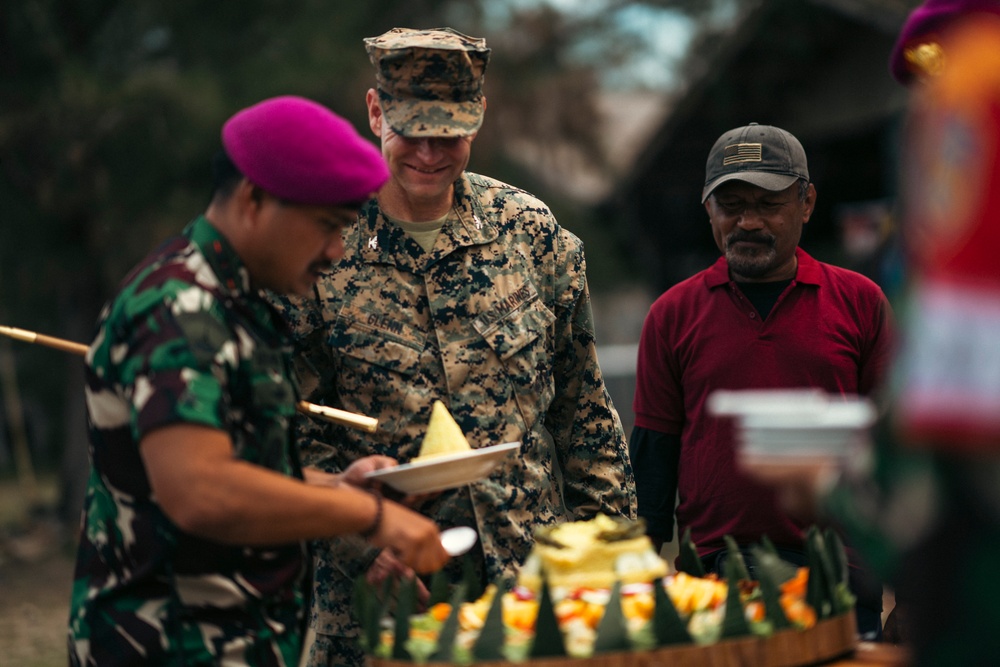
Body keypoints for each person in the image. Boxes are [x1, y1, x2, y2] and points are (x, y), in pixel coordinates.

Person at [269, 27, 637, 667]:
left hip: (531, 588)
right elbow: (285, 428)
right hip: (384, 597)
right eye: (413, 131)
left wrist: (613, 548)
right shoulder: (319, 244)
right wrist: (363, 542)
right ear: (375, 111)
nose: (432, 153)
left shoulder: (529, 232)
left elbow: (583, 412)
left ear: (481, 114)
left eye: (452, 133)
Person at [66, 95, 451, 667]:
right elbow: (200, 490)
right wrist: (370, 517)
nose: (334, 252)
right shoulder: (179, 308)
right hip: (168, 645)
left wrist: (336, 489)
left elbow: (235, 463)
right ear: (253, 199)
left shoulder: (234, 302)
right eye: (325, 226)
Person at [630, 122, 893, 639]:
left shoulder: (861, 303)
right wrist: (638, 575)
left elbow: (898, 448)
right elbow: (654, 454)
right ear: (709, 210)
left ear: (807, 202)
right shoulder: (672, 314)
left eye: (768, 203)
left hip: (839, 579)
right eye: (730, 205)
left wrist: (912, 594)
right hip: (714, 582)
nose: (747, 221)